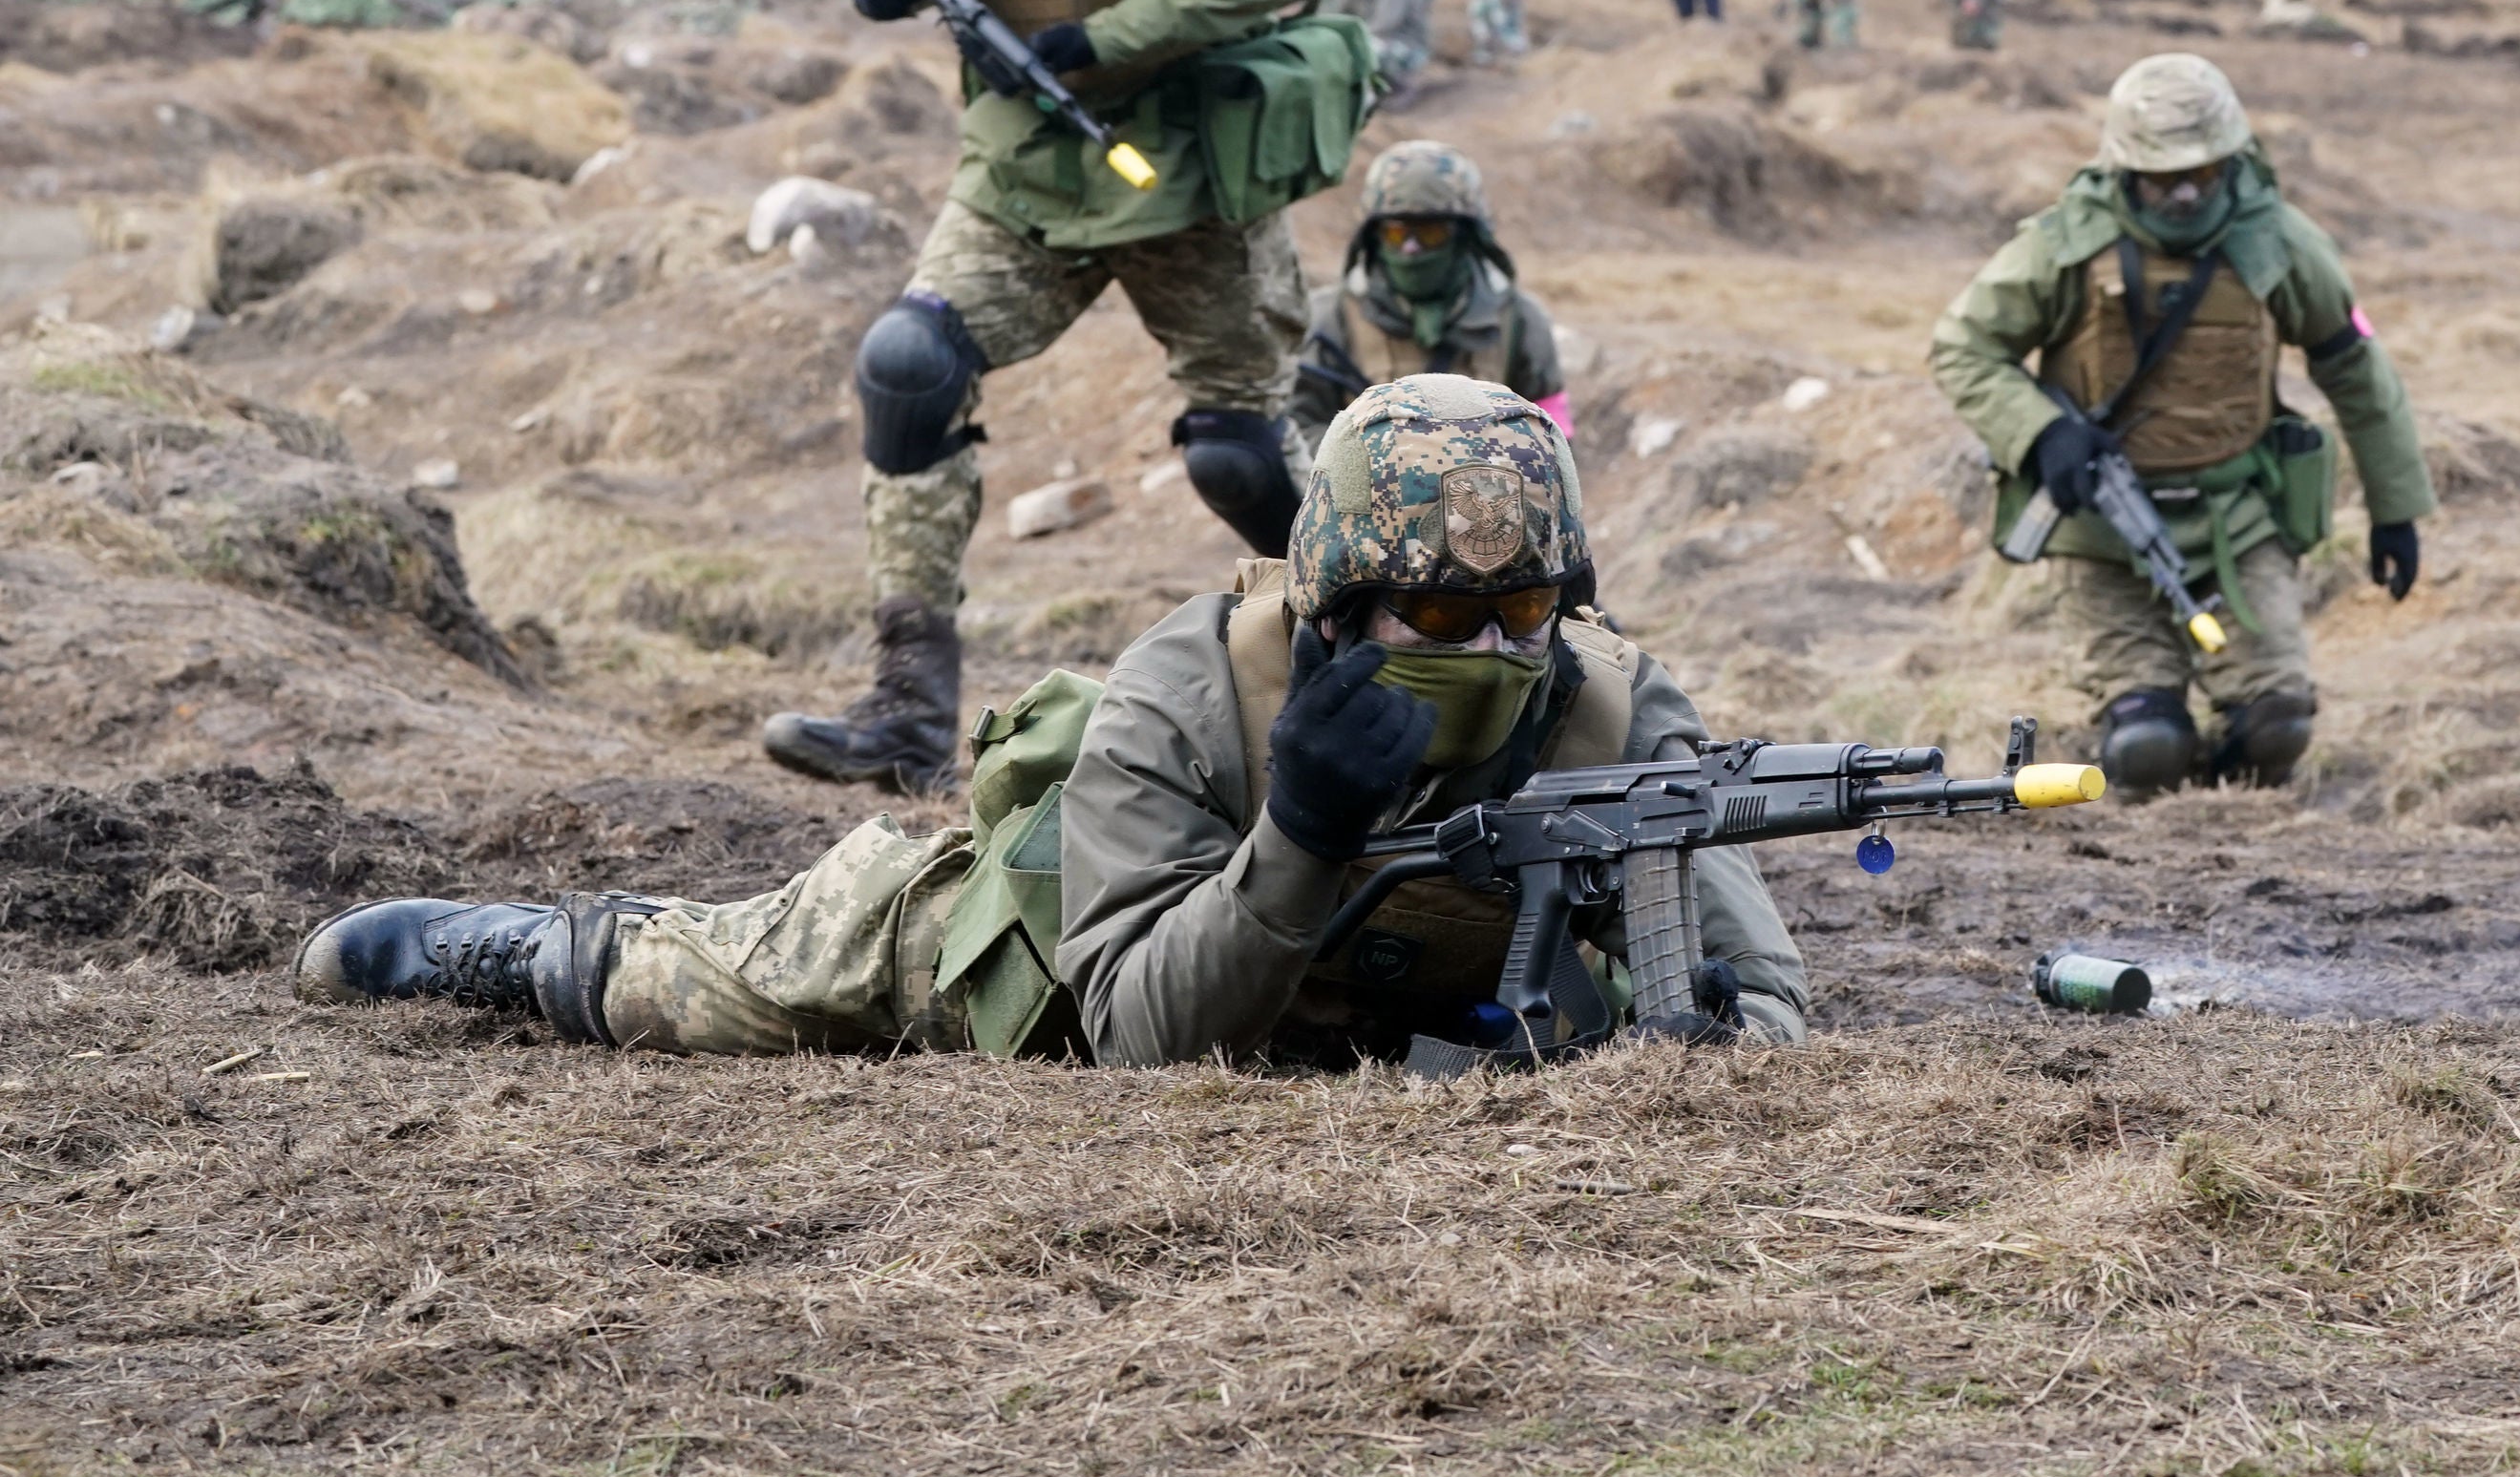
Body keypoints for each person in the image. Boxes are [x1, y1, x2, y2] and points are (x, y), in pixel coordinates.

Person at [293, 379, 1811, 1069]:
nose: (1488, 647)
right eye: (1432, 618)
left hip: (1386, 1021)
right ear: (1340, 603)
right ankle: (533, 947)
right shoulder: (1191, 687)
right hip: (1041, 948)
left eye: (1524, 611)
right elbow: (1143, 1031)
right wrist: (1299, 834)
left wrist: (1648, 986)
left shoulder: (1611, 705)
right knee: (745, 980)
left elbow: (1769, 1012)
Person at [764, 0, 1324, 796]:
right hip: (1023, 169)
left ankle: (1389, 660)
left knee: (1241, 454)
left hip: (1180, 166)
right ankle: (909, 717)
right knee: (908, 370)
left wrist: (1106, 42)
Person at [1931, 54, 2433, 797]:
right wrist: (2042, 433)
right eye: (2167, 176)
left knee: (2277, 728)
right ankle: (2147, 762)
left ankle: (2234, 806)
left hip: (2239, 517)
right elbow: (1964, 345)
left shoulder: (2279, 243)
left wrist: (2397, 509)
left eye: (2206, 170)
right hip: (2101, 530)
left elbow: (2354, 365)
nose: (2189, 190)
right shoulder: (2065, 244)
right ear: (2129, 167)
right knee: (2147, 747)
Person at [1293, 141, 1567, 451]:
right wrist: (1372, 457)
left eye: (1430, 234)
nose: (1411, 250)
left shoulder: (1520, 321)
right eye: (1397, 234)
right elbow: (1298, 429)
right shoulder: (1328, 318)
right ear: (1374, 238)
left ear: (1466, 237)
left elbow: (1554, 442)